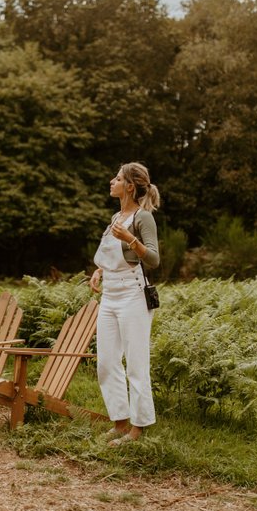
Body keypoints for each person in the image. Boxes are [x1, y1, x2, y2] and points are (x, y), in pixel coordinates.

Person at [89, 162, 160, 446]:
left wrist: (130, 238)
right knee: (106, 362)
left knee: (136, 364)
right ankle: (119, 422)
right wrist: (100, 270)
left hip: (133, 295)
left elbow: (153, 259)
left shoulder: (143, 218)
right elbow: (113, 256)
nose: (111, 181)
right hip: (110, 296)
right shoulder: (116, 216)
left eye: (117, 179)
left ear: (130, 186)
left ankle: (138, 429)